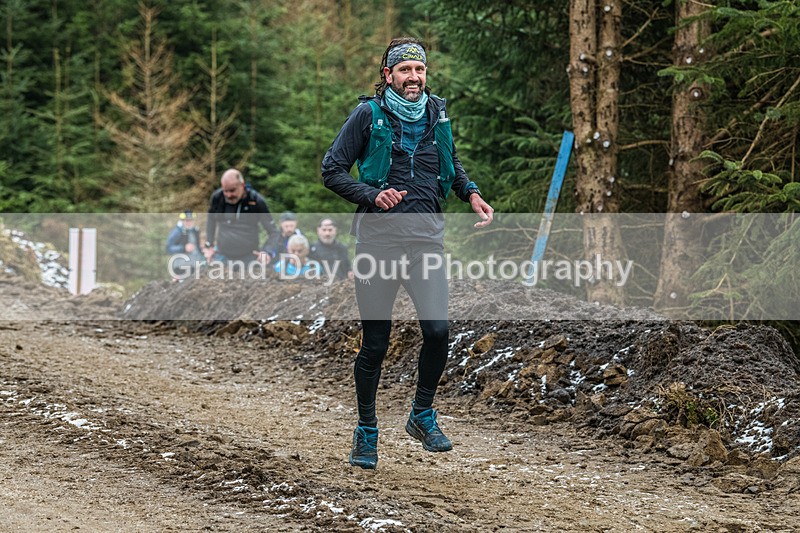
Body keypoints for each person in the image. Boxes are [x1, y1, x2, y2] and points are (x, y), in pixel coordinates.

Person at [321, 37, 493, 469]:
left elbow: (449, 163)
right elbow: (331, 169)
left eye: (419, 70)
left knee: (437, 331)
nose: (413, 78)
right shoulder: (368, 115)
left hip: (426, 240)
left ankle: (421, 414)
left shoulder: (438, 113)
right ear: (388, 76)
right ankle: (366, 431)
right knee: (376, 343)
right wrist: (372, 194)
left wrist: (470, 193)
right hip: (378, 243)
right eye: (404, 71)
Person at [203, 168, 279, 265]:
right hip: (222, 255)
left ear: (242, 186)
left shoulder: (256, 201)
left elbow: (273, 232)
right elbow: (211, 220)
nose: (229, 195)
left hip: (249, 257)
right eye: (225, 191)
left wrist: (267, 251)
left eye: (232, 190)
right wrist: (209, 244)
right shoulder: (217, 197)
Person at [165, 210, 204, 277]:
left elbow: (197, 247)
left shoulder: (195, 231)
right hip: (181, 265)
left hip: (196, 264)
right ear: (182, 221)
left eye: (191, 220)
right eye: (186, 220)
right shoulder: (177, 232)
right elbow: (168, 248)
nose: (189, 222)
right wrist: (183, 248)